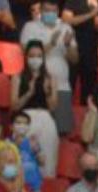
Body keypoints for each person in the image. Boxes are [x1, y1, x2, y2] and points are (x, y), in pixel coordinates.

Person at [19, 0, 76, 135]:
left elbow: (75, 59)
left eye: (53, 11)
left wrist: (67, 45)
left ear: (58, 12)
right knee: (33, 133)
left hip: (62, 86)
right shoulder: (30, 26)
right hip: (36, 86)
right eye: (46, 10)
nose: (50, 13)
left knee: (61, 131)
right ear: (41, 10)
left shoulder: (66, 28)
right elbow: (27, 52)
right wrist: (51, 43)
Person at [12, 41, 59, 178]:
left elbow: (53, 107)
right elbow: (14, 106)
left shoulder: (50, 78)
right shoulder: (18, 77)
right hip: (24, 119)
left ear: (43, 58)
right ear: (26, 58)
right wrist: (29, 93)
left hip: (45, 117)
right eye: (32, 56)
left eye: (39, 56)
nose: (35, 59)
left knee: (47, 160)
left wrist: (47, 91)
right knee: (23, 159)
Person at [62, 0, 98, 104]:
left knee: (90, 92)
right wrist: (92, 13)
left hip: (91, 53)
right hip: (73, 51)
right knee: (69, 87)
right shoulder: (73, 2)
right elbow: (68, 20)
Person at [10, 112, 43, 192]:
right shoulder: (6, 143)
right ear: (11, 126)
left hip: (34, 185)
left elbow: (42, 163)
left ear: (28, 127)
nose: (22, 126)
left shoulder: (33, 142)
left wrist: (36, 150)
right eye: (18, 123)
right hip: (15, 185)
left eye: (25, 123)